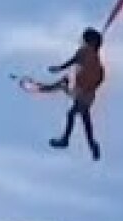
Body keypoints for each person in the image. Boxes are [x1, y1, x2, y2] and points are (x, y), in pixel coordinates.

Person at [36, 27, 104, 161]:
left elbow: (72, 61)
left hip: (84, 93)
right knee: (85, 120)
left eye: (84, 39)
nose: (82, 42)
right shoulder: (95, 58)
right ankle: (92, 145)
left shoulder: (85, 52)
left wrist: (58, 68)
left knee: (72, 113)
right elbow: (99, 77)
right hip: (86, 94)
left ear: (89, 41)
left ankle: (66, 140)